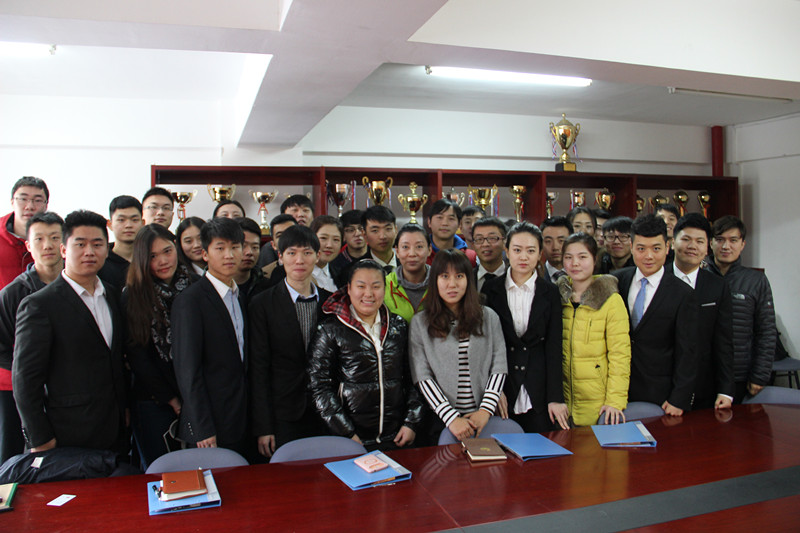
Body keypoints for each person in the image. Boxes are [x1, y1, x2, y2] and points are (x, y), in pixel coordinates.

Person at [12, 210, 127, 453]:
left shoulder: (113, 295)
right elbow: (25, 380)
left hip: (115, 427)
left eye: (98, 244)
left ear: (107, 250)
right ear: (64, 250)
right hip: (67, 431)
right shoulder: (40, 305)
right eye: (80, 244)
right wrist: (39, 437)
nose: (90, 252)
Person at [309, 260, 424, 450]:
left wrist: (411, 422)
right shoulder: (330, 330)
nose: (369, 294)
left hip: (397, 437)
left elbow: (414, 377)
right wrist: (346, 433)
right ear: (349, 288)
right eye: (361, 286)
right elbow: (319, 387)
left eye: (376, 286)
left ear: (385, 289)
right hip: (350, 440)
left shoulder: (398, 326)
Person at [249, 225, 332, 458]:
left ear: (317, 256)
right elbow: (258, 368)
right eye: (292, 253)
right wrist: (264, 426)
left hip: (325, 409)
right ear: (280, 256)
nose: (299, 260)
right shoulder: (262, 304)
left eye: (307, 253)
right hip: (282, 411)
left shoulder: (330, 303)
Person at [410, 249, 507, 442]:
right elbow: (422, 376)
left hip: (483, 417)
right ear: (435, 281)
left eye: (459, 276)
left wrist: (485, 410)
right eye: (444, 276)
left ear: (468, 280)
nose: (452, 284)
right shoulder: (420, 322)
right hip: (440, 420)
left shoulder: (488, 317)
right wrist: (451, 418)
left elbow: (499, 365)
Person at [171, 217, 248, 454]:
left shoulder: (240, 296)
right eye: (220, 248)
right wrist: (202, 426)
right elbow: (187, 370)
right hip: (210, 422)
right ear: (205, 254)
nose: (229, 255)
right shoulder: (190, 301)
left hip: (240, 416)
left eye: (235, 247)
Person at [482, 223, 566, 433]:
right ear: (507, 251)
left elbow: (554, 347)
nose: (523, 257)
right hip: (503, 386)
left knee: (541, 447)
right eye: (517, 250)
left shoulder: (550, 292)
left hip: (537, 388)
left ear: (540, 254)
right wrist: (492, 391)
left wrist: (555, 397)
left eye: (530, 251)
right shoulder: (490, 289)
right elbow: (484, 346)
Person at [124, 224, 194, 469]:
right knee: (161, 470)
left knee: (199, 468)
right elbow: (137, 356)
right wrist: (171, 398)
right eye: (153, 256)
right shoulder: (133, 295)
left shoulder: (195, 285)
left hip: (194, 394)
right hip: (153, 399)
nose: (163, 261)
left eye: (167, 251)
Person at [613, 215, 698, 416]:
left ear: (668, 247)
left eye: (656, 248)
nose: (649, 256)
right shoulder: (616, 281)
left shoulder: (683, 293)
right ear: (631, 247)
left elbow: (688, 352)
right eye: (641, 248)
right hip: (616, 389)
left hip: (660, 393)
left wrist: (679, 398)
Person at [0, 212, 63, 464]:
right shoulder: (13, 293)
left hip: (72, 394)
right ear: (28, 245)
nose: (47, 245)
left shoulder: (81, 285)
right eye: (39, 239)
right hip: (28, 392)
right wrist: (28, 371)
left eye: (55, 237)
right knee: (19, 458)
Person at [557, 233, 630, 426]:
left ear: (594, 259)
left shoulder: (611, 300)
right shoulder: (557, 296)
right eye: (568, 257)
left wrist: (615, 400)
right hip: (562, 404)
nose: (575, 263)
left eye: (582, 257)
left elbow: (620, 354)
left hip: (598, 403)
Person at [706, 215, 775, 403]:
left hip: (740, 375)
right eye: (720, 240)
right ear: (711, 243)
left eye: (733, 240)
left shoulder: (756, 281)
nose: (726, 246)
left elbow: (766, 331)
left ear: (742, 244)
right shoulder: (699, 277)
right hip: (703, 374)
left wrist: (760, 375)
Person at [672, 213, 734, 409]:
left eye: (700, 241)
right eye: (686, 239)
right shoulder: (658, 279)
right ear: (672, 243)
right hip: (662, 382)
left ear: (707, 248)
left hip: (703, 384)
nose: (693, 246)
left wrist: (726, 389)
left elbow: (724, 341)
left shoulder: (717, 286)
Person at [0, 176, 49, 289]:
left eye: (37, 200)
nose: (30, 206)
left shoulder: (59, 238)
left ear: (46, 205)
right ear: (12, 202)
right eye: (23, 199)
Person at [385, 224, 430, 323]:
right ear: (397, 251)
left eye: (419, 246)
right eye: (405, 247)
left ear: (429, 250)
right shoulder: (386, 285)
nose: (412, 254)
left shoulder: (440, 282)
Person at [98, 195, 143, 293]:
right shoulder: (100, 261)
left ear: (143, 223)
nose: (128, 225)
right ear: (110, 224)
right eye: (121, 220)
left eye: (134, 220)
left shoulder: (149, 258)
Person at [256, 195, 314, 269]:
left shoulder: (318, 243)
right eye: (295, 210)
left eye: (305, 210)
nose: (301, 215)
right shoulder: (269, 249)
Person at [426, 199, 477, 267]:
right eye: (440, 217)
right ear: (429, 222)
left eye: (451, 219)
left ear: (459, 224)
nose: (444, 223)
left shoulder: (470, 257)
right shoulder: (421, 255)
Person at [234, 217, 270, 304]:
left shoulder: (268, 287)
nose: (249, 252)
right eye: (243, 246)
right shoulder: (217, 287)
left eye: (255, 247)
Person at [329, 209, 367, 287]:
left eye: (361, 229)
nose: (357, 234)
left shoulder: (376, 256)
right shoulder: (335, 265)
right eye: (350, 230)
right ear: (343, 236)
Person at [261, 214, 298, 287]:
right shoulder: (264, 275)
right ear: (273, 245)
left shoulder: (310, 270)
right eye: (280, 236)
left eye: (290, 233)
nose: (286, 239)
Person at [471, 216, 507, 291]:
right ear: (473, 245)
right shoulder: (467, 278)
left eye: (492, 238)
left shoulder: (515, 277)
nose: (485, 244)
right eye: (479, 239)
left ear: (504, 242)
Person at [310, 215, 343, 293]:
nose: (329, 245)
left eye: (336, 240)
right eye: (323, 238)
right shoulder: (295, 276)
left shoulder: (342, 276)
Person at [362, 206, 398, 273]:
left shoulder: (408, 264)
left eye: (388, 229)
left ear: (396, 230)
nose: (382, 236)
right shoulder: (356, 270)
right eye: (375, 230)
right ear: (365, 235)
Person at [541, 216, 573, 283]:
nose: (555, 247)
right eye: (548, 241)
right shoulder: (536, 277)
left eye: (561, 241)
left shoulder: (582, 275)